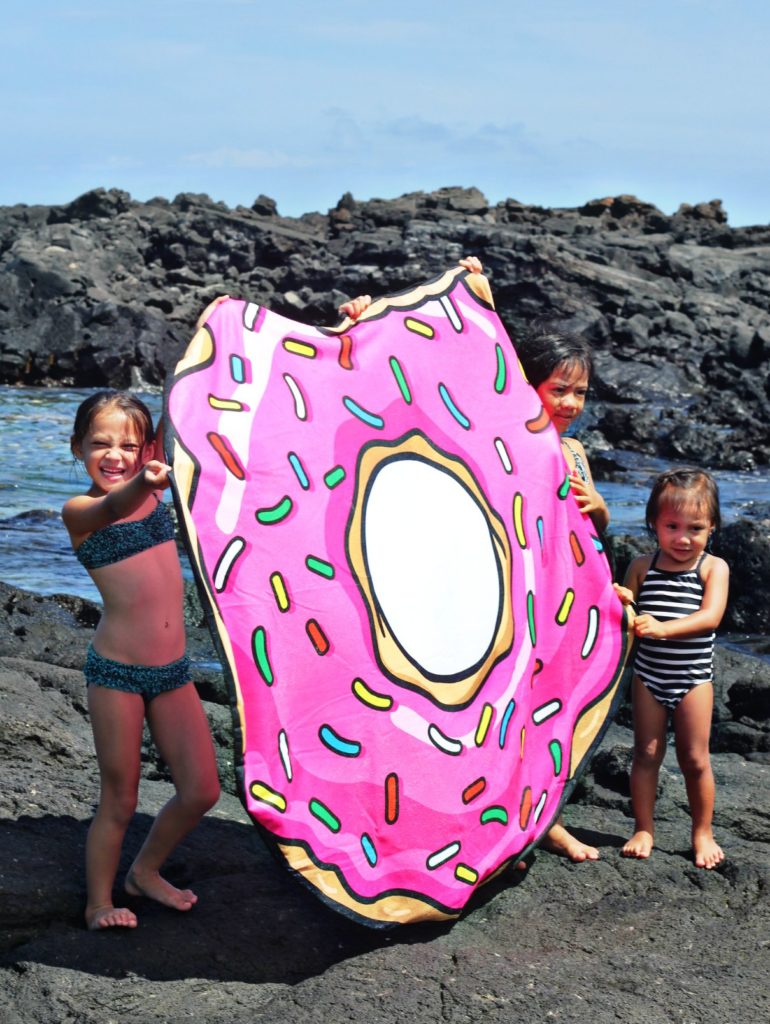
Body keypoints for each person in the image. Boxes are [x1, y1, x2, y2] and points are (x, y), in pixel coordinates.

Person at [340, 257, 607, 862]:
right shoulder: (494, 434)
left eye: (579, 392)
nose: (568, 402)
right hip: (495, 603)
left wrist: (599, 509)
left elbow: (588, 535)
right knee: (477, 716)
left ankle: (544, 818)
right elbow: (415, 393)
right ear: (525, 383)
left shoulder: (573, 450)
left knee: (541, 718)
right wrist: (365, 322)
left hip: (554, 609)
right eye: (557, 389)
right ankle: (451, 820)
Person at [62, 390, 221, 930]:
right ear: (76, 447)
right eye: (100, 443)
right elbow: (116, 504)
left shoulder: (158, 492)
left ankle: (144, 872)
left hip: (172, 674)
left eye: (129, 444)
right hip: (117, 676)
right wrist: (146, 480)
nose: (115, 454)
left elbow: (210, 406)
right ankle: (99, 903)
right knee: (120, 798)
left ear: (149, 445)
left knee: (202, 790)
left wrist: (343, 330)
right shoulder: (82, 511)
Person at [614, 468, 728, 869]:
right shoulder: (643, 565)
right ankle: (643, 828)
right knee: (645, 752)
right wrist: (623, 601)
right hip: (649, 677)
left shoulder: (713, 568)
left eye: (695, 528)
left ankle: (702, 831)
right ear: (654, 524)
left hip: (693, 678)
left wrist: (662, 629)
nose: (683, 538)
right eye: (672, 526)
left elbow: (710, 617)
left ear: (712, 526)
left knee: (695, 759)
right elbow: (628, 617)